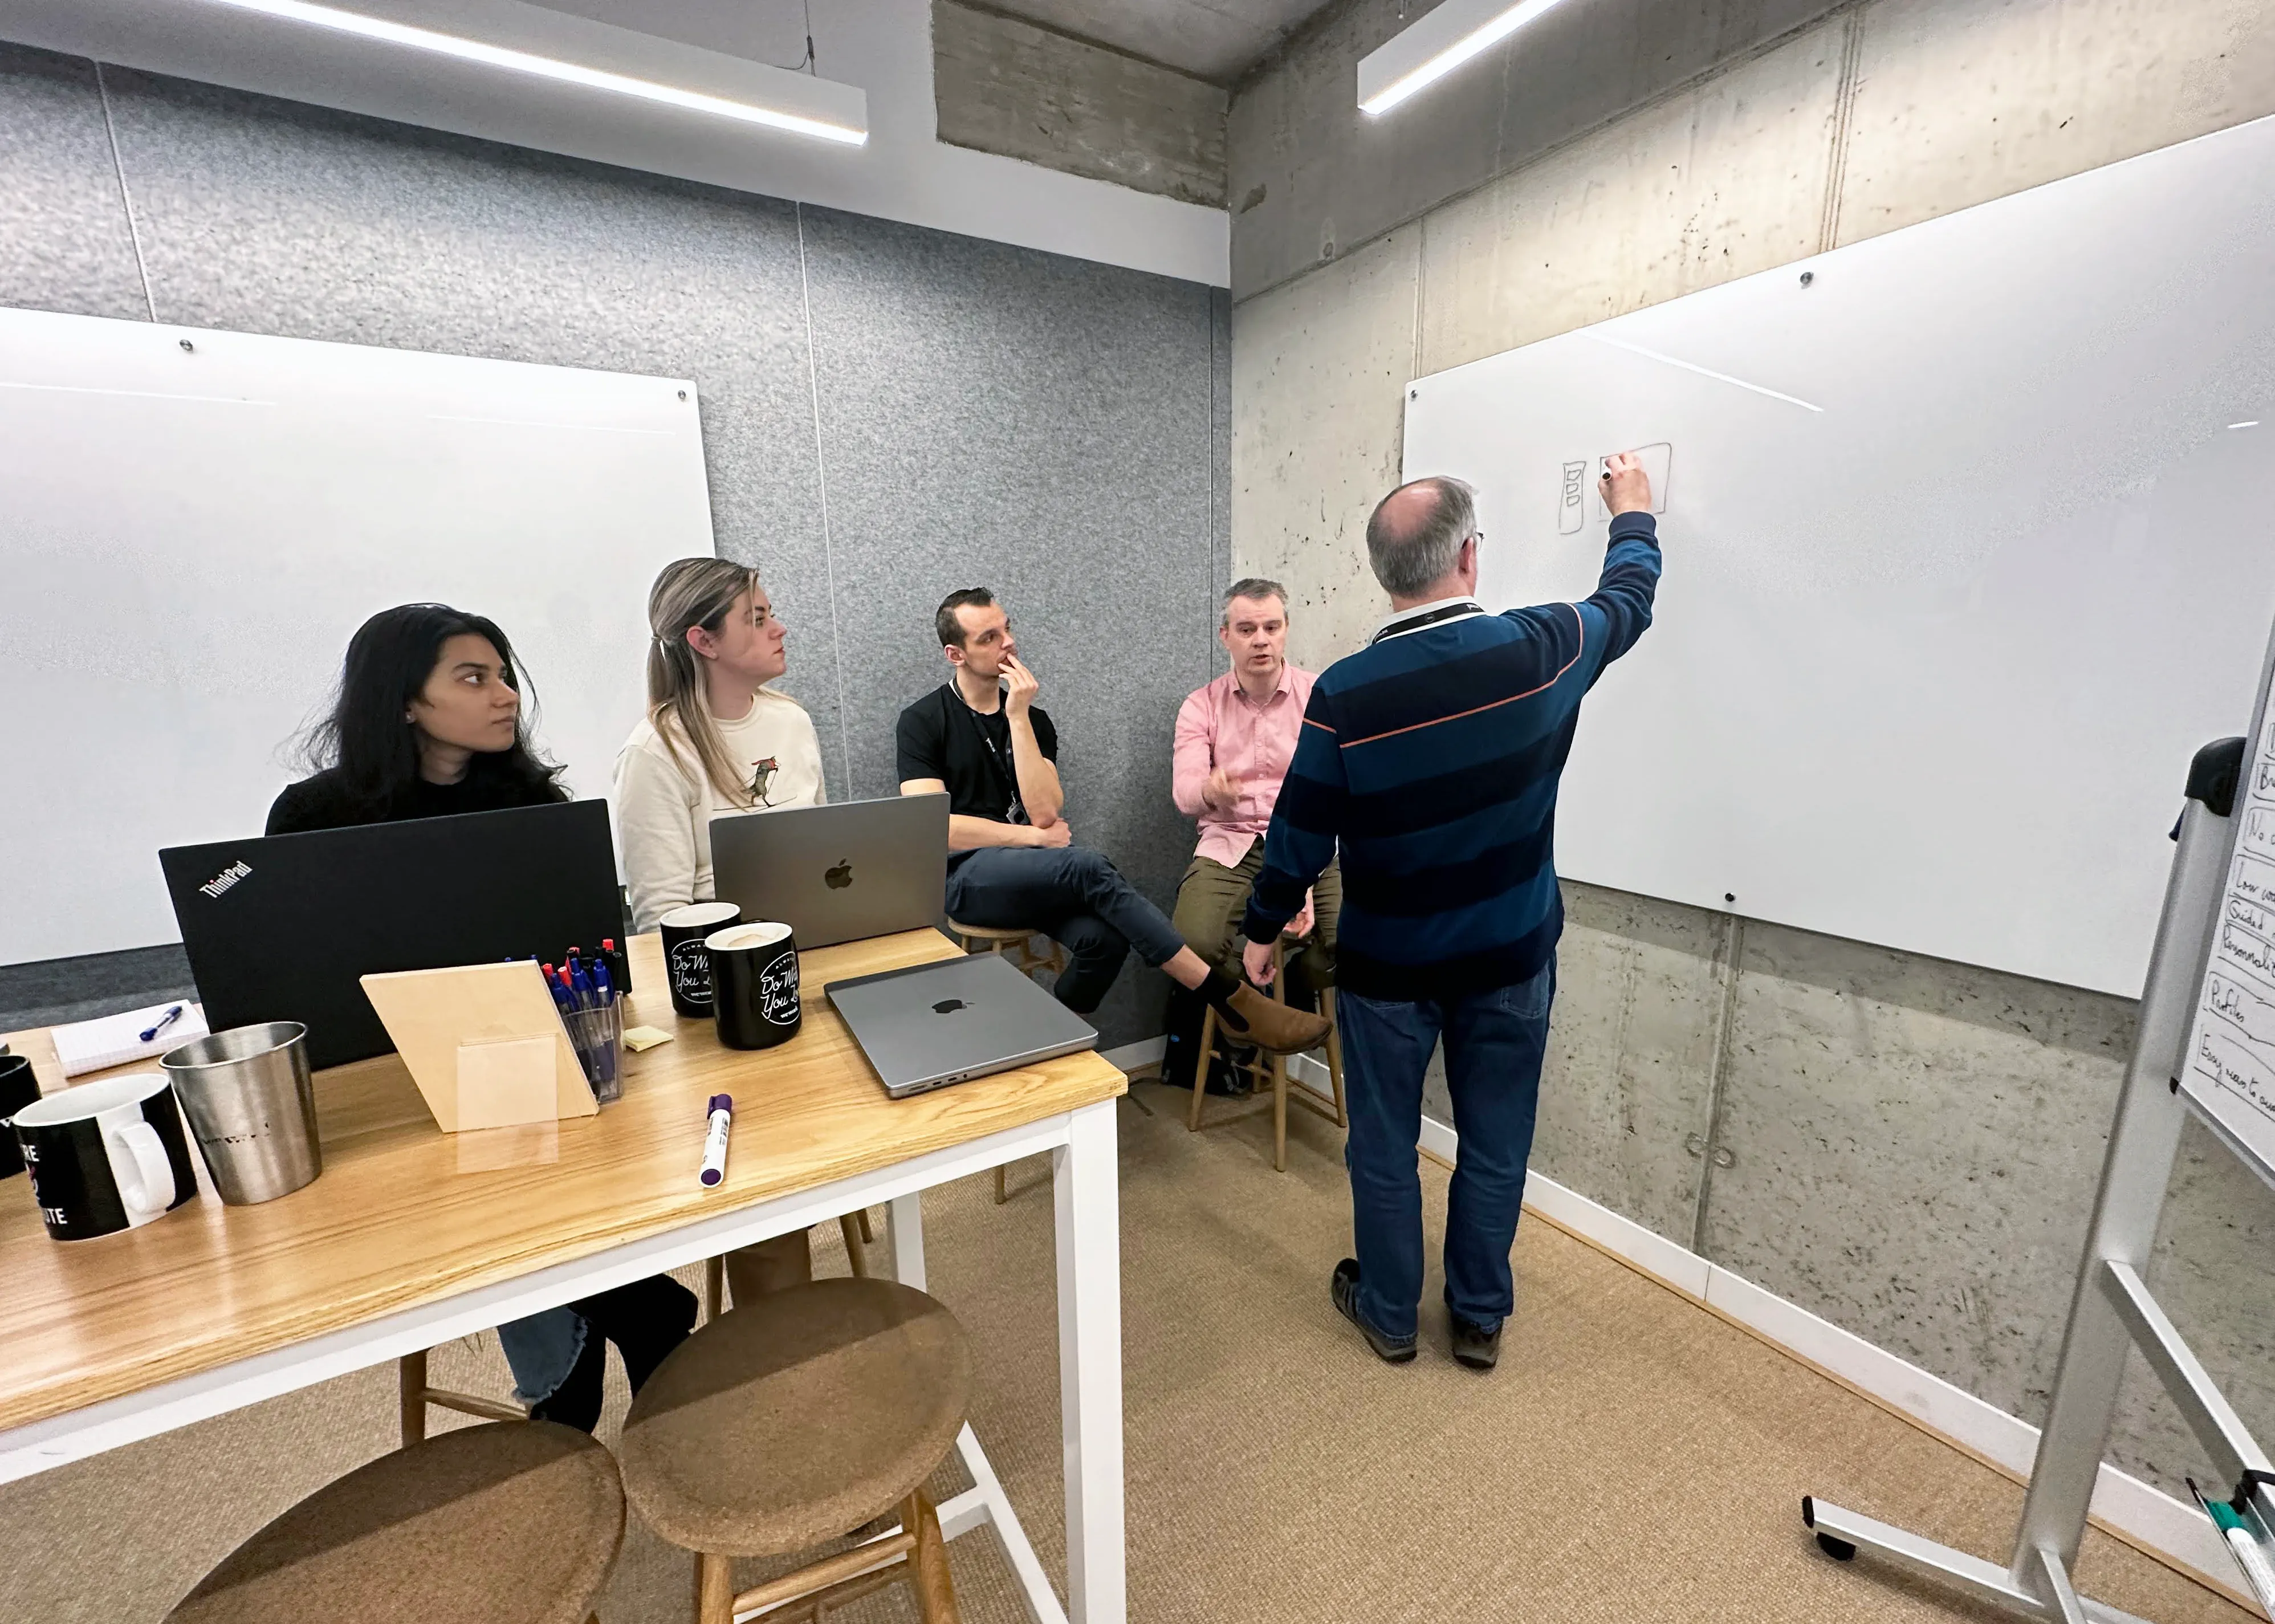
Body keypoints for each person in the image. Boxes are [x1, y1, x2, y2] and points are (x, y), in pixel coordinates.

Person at [1240, 454, 1663, 1371]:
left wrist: (1261, 932)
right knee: (1495, 1138)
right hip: (1510, 960)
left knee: (1384, 1145)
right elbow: (1627, 600)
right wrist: (1631, 512)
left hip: (1387, 973)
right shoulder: (1541, 646)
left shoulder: (1343, 695)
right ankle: (1477, 1316)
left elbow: (1297, 836)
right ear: (1467, 557)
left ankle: (1390, 1313)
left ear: (1382, 576)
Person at [267, 603, 695, 1430]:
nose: (505, 695)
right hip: (392, 1098)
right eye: (474, 677)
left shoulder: (533, 803)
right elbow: (295, 997)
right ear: (403, 701)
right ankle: (638, 1316)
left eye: (504, 674)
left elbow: (589, 962)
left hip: (536, 1075)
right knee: (493, 1174)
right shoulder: (311, 821)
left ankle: (566, 1387)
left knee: (523, 1155)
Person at [894, 588, 1328, 1056]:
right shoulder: (923, 720)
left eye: (1008, 628)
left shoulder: (1032, 718)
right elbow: (934, 828)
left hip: (1029, 872)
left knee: (1105, 941)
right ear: (955, 654)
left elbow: (1045, 811)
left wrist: (1016, 716)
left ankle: (1040, 1043)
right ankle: (1229, 997)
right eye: (990, 637)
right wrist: (1033, 838)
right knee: (1086, 867)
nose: (1009, 644)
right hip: (965, 876)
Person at [612, 557, 828, 1307]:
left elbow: (827, 861)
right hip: (724, 1000)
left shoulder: (791, 722)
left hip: (811, 957)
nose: (779, 627)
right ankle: (778, 1344)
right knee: (766, 1172)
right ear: (702, 640)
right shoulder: (656, 752)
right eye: (758, 618)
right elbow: (661, 918)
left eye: (771, 612)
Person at [1165, 579, 1341, 1092]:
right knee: (1190, 942)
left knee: (1351, 941)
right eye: (1246, 629)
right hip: (1231, 840)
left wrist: (1300, 886)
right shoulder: (1201, 705)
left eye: (1271, 627)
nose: (1260, 639)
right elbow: (1183, 792)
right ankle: (1253, 1014)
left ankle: (1284, 1000)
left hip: (1309, 843)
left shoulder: (1319, 696)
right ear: (1226, 637)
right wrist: (1209, 789)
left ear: (1285, 631)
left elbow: (1341, 784)